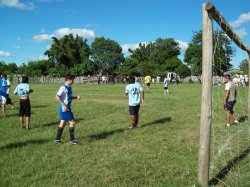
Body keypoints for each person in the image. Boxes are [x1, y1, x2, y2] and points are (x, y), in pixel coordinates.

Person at [54, 74, 81, 145]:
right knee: (72, 122)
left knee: (62, 122)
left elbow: (68, 97)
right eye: (73, 80)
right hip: (65, 108)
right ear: (68, 80)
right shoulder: (63, 87)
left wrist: (75, 97)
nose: (73, 81)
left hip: (64, 107)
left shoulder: (69, 87)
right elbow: (57, 97)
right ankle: (72, 140)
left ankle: (57, 139)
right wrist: (63, 105)